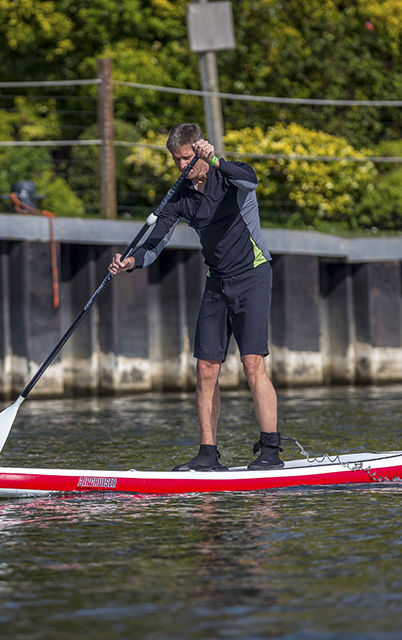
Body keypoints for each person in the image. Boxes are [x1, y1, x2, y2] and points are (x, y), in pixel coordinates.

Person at [108, 123, 282, 472]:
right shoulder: (180, 196)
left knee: (252, 364)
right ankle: (207, 453)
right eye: (175, 159)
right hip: (216, 281)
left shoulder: (231, 177)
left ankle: (270, 450)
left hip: (253, 275)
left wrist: (215, 160)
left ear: (200, 150)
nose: (181, 165)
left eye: (186, 157)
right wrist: (131, 261)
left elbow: (252, 180)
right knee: (205, 369)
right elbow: (156, 240)